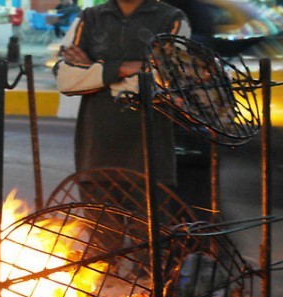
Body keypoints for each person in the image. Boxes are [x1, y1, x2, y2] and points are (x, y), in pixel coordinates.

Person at [53, 0, 190, 188]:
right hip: (95, 156)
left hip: (149, 160)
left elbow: (166, 80)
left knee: (149, 217)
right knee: (95, 218)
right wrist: (123, 69)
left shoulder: (172, 19)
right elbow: (66, 79)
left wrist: (92, 71)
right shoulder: (89, 18)